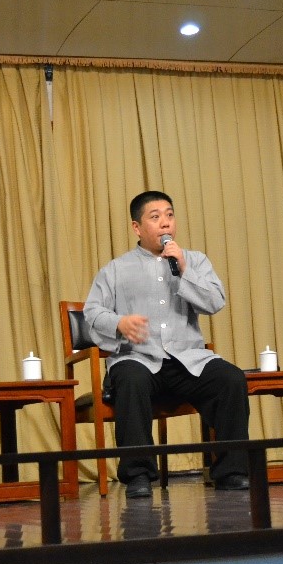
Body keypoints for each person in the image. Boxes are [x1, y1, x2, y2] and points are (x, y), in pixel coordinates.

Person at [83, 191, 250, 498]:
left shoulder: (195, 260)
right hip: (139, 358)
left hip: (187, 358)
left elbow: (214, 302)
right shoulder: (116, 269)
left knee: (231, 380)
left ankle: (232, 471)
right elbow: (92, 312)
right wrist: (119, 323)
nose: (165, 224)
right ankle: (138, 476)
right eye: (155, 217)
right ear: (137, 227)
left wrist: (185, 268)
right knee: (130, 380)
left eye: (169, 215)